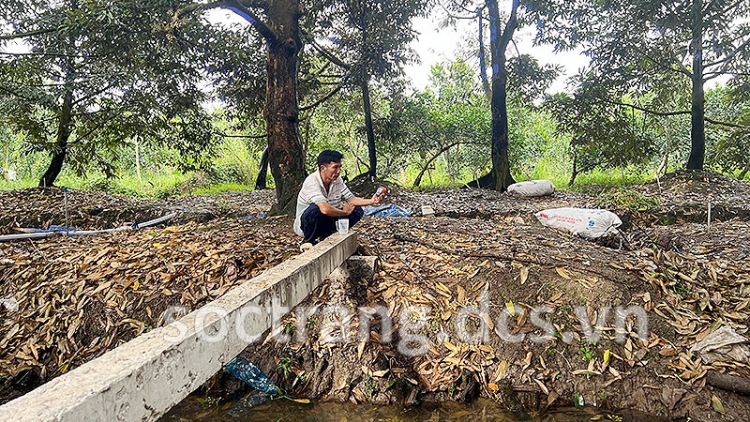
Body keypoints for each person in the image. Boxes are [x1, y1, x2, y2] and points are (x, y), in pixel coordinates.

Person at [294, 150, 383, 251]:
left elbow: (352, 199)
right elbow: (325, 209)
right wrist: (344, 212)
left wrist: (372, 201)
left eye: (340, 167)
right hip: (307, 224)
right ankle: (308, 241)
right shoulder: (312, 182)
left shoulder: (337, 180)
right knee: (316, 209)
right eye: (335, 167)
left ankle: (330, 235)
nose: (338, 171)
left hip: (327, 220)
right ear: (323, 168)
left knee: (357, 210)